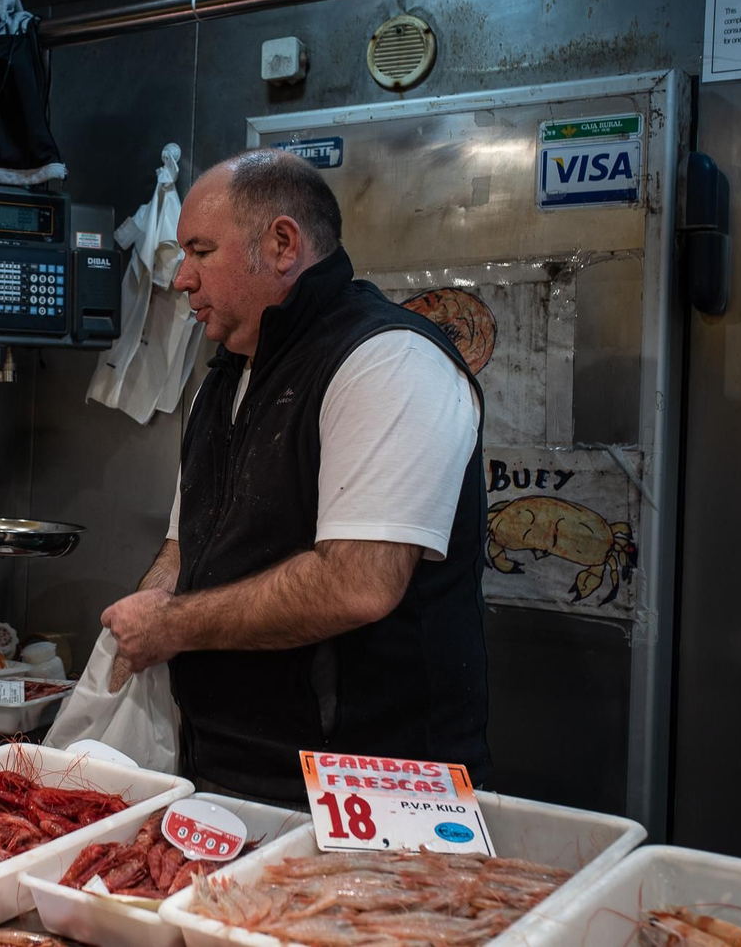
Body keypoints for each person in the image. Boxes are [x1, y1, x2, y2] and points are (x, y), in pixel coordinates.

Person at [100, 148, 490, 805]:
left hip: (369, 788)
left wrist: (172, 627)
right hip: (223, 772)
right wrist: (142, 616)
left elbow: (357, 584)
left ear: (282, 244)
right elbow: (182, 552)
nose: (181, 281)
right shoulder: (222, 380)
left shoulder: (387, 362)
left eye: (200, 252)